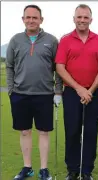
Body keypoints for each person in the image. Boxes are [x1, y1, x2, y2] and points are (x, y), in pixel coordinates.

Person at [6, 4, 63, 180]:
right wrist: (10, 90)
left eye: (34, 17)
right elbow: (9, 67)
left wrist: (58, 92)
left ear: (41, 20)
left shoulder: (52, 40)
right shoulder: (15, 40)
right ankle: (27, 167)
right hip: (20, 94)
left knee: (43, 132)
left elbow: (58, 68)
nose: (31, 20)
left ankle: (44, 169)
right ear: (23, 19)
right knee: (24, 131)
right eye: (28, 17)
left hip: (45, 94)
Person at [55, 4, 98, 180]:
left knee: (91, 132)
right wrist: (79, 89)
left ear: (91, 20)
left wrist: (89, 90)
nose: (82, 20)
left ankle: (86, 171)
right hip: (71, 93)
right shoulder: (65, 40)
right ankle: (73, 170)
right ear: (74, 19)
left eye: (86, 17)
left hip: (93, 93)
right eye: (79, 17)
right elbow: (60, 68)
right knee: (72, 131)